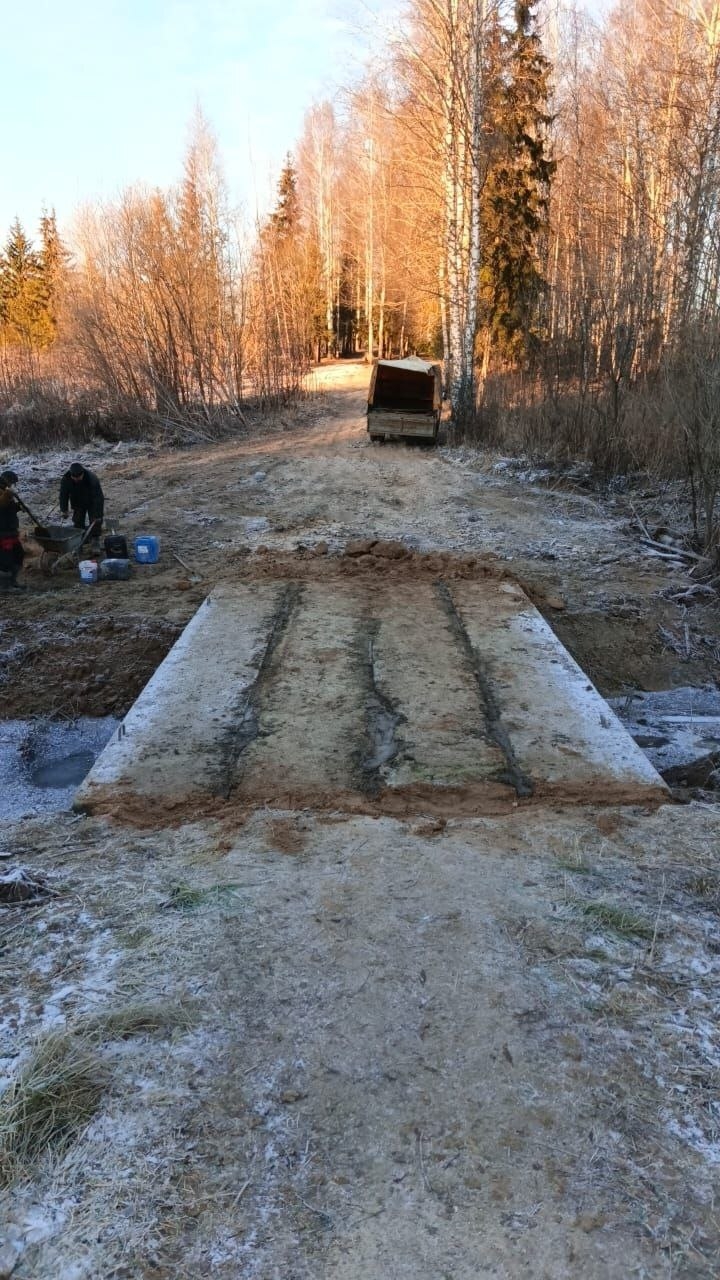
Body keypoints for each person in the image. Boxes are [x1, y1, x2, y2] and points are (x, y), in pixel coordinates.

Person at [59, 462, 104, 536]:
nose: (76, 479)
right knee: (78, 521)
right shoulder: (66, 479)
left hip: (92, 501)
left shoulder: (92, 479)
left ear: (82, 474)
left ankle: (95, 538)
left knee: (95, 522)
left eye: (78, 478)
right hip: (77, 501)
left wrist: (98, 515)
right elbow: (63, 495)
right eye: (74, 478)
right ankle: (79, 538)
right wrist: (64, 510)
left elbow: (98, 498)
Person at [0, 470, 26, 590]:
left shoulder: (6, 491)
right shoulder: (4, 492)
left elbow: (7, 509)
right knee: (6, 561)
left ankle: (12, 581)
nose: (12, 486)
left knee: (18, 554)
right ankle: (5, 586)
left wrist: (18, 507)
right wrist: (7, 494)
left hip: (11, 531)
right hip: (2, 533)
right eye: (12, 483)